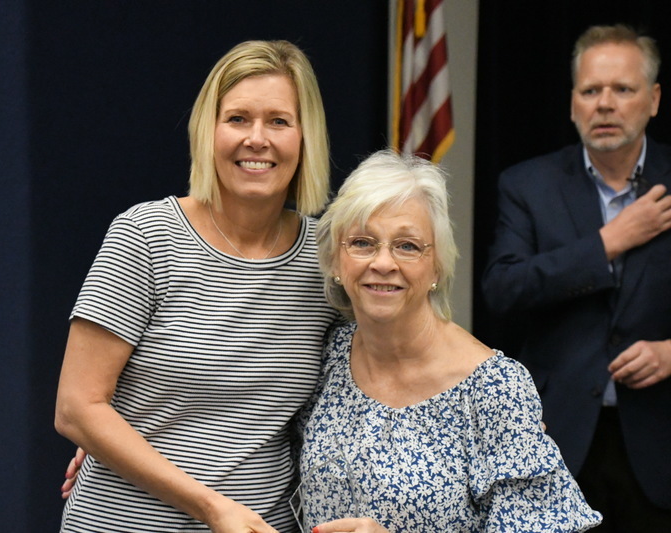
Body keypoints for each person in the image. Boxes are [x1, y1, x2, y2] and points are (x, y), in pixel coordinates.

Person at [54, 39, 341, 532]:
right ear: (208, 131)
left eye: (278, 121)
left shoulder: (328, 257)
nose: (257, 139)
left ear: (305, 136)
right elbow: (76, 409)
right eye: (237, 119)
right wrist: (211, 506)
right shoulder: (146, 235)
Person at [295, 150, 601, 532]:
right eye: (362, 242)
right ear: (335, 261)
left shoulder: (494, 388)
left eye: (407, 246)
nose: (383, 263)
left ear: (437, 266)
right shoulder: (328, 357)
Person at [481, 24, 671, 531]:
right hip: (558, 438)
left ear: (653, 99)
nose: (604, 104)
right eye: (590, 91)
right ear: (572, 103)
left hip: (659, 443)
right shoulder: (527, 184)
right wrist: (607, 243)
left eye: (622, 89)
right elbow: (502, 287)